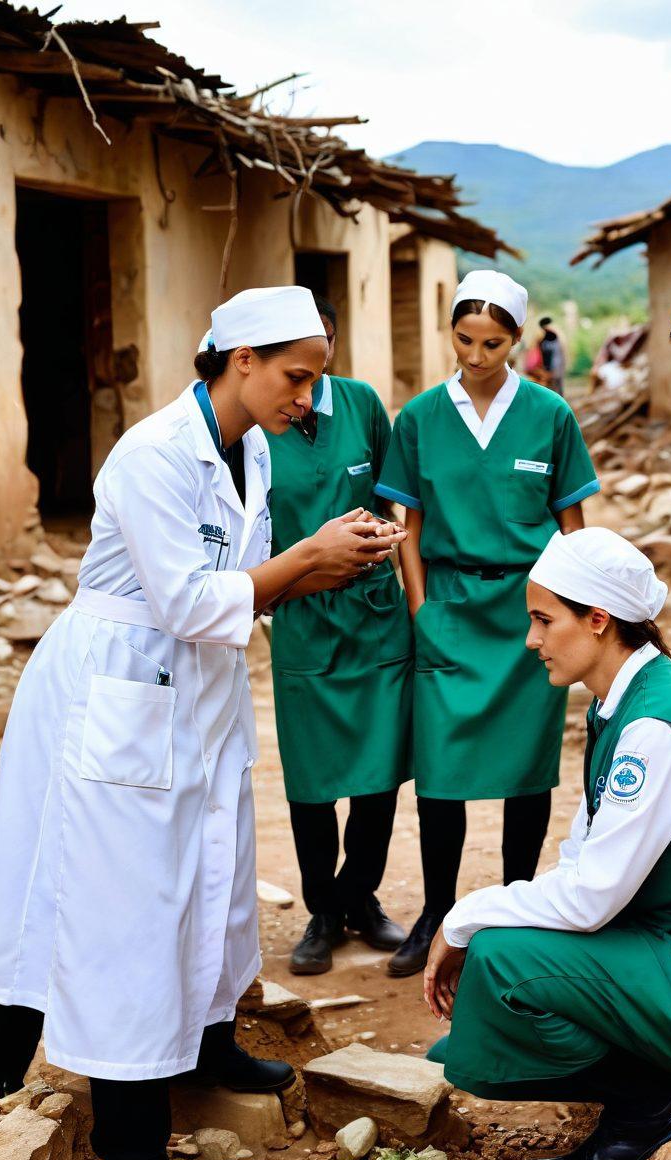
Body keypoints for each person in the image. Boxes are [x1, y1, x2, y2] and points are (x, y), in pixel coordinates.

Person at [0, 286, 405, 1160]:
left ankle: (208, 1042)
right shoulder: (154, 453)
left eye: (317, 379)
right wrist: (306, 559)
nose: (308, 399)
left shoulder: (252, 448)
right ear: (242, 360)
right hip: (123, 683)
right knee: (129, 911)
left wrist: (336, 558)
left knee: (214, 876)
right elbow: (181, 599)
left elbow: (242, 584)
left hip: (197, 690)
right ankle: (131, 1155)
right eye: (297, 377)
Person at [423, 527, 671, 1160]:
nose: (531, 639)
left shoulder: (657, 725)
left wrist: (462, 919)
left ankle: (648, 1112)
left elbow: (591, 898)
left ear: (598, 620)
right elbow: (583, 858)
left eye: (544, 620)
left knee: (502, 962)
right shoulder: (621, 703)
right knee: (502, 962)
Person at [375, 269, 599, 977]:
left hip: (531, 615)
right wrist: (421, 610)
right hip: (448, 608)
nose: (475, 356)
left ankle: (512, 913)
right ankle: (436, 913)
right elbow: (407, 526)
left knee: (527, 772)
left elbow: (572, 526)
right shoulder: (419, 418)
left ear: (517, 339)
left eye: (493, 343)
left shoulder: (549, 415)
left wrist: (569, 616)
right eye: (463, 339)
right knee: (440, 773)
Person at [263, 294, 411, 975]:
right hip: (302, 616)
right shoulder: (258, 426)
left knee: (380, 773)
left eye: (321, 345)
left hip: (374, 616)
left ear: (332, 344)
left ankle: (361, 896)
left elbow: (393, 497)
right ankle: (323, 910)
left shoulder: (361, 405)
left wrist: (384, 540)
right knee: (311, 779)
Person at [539, 315, 566, 396]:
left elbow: (559, 350)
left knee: (556, 383)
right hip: (553, 363)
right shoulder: (547, 334)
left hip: (555, 363)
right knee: (555, 383)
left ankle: (558, 398)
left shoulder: (554, 334)